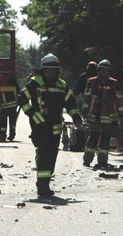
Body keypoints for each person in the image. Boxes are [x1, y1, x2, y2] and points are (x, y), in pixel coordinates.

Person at [17, 54, 83, 197]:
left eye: (53, 70)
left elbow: (71, 103)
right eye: (48, 70)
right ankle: (42, 187)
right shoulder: (35, 83)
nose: (50, 73)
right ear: (43, 70)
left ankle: (45, 181)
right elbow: (22, 99)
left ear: (57, 71)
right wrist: (32, 114)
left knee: (52, 155)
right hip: (39, 126)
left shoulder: (62, 86)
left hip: (55, 127)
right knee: (43, 154)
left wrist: (76, 117)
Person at [81, 59, 123, 169]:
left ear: (109, 72)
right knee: (92, 140)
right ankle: (87, 160)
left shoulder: (114, 83)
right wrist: (85, 112)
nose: (104, 72)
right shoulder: (92, 82)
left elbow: (119, 99)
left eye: (106, 70)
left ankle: (102, 162)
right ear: (99, 70)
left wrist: (121, 114)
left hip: (109, 118)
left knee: (105, 141)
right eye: (102, 70)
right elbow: (87, 97)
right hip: (94, 116)